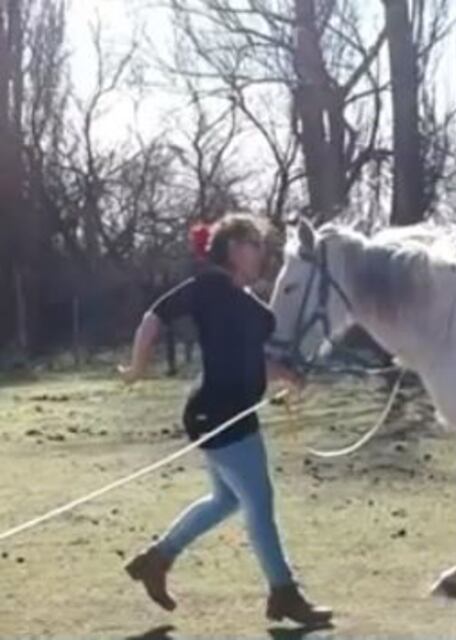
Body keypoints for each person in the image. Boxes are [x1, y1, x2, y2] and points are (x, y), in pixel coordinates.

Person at [119, 213, 331, 626]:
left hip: (236, 413)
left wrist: (286, 374)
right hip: (216, 413)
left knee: (227, 500)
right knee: (259, 503)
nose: (262, 254)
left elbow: (253, 359)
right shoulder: (209, 288)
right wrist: (136, 368)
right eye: (256, 245)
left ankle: (157, 560)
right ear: (234, 248)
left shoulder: (253, 307)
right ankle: (284, 594)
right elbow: (153, 317)